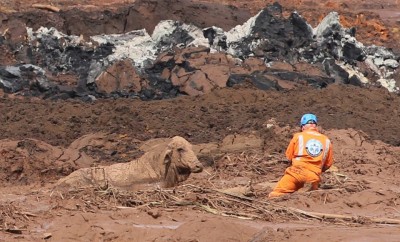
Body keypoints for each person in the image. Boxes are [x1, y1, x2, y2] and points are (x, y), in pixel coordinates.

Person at [268, 113, 334, 198]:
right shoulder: (326, 140)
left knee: (276, 195)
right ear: (315, 126)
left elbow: (288, 157)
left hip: (295, 173)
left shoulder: (298, 136)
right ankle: (304, 192)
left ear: (303, 127)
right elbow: (328, 164)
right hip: (313, 177)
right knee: (310, 198)